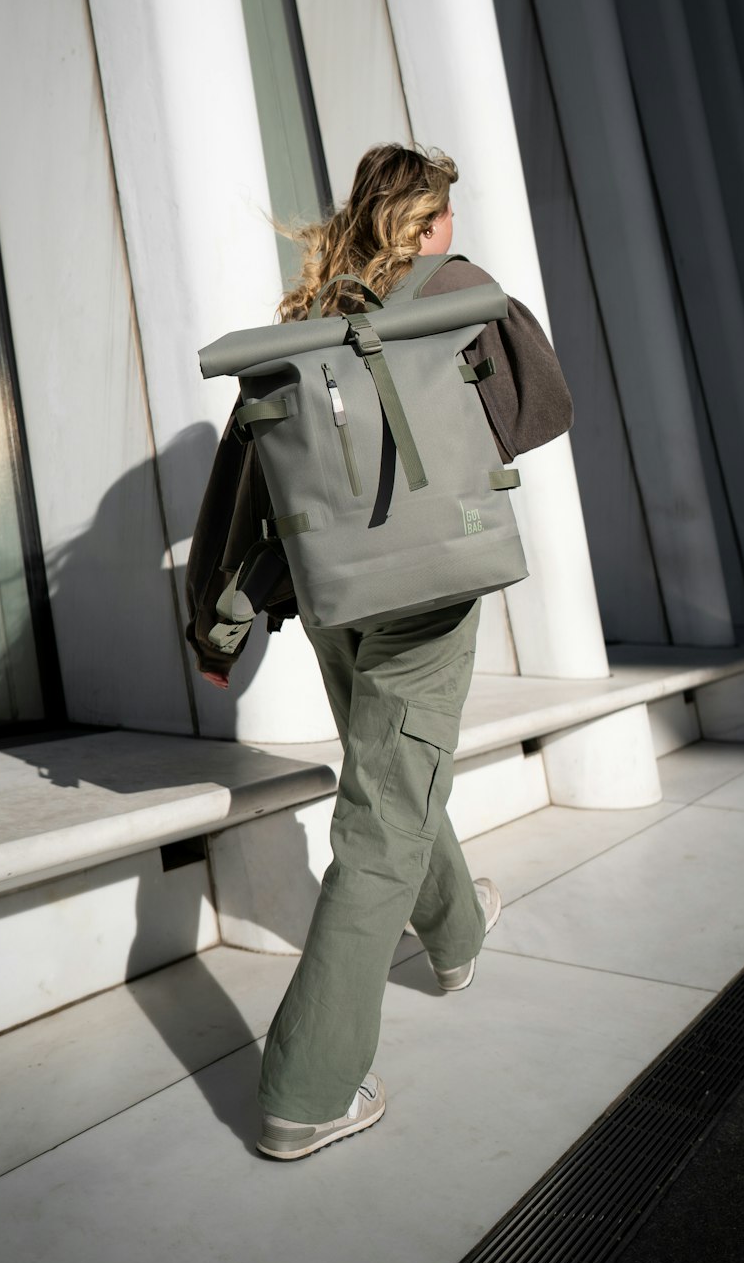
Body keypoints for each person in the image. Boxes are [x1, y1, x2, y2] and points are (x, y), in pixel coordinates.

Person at [185, 142, 572, 1160]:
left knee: (391, 769)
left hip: (332, 595)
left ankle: (452, 938)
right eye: (445, 212)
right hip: (426, 585)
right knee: (381, 816)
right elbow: (540, 405)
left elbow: (243, 482)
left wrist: (217, 617)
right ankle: (308, 1087)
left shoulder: (305, 317)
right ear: (430, 219)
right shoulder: (455, 293)